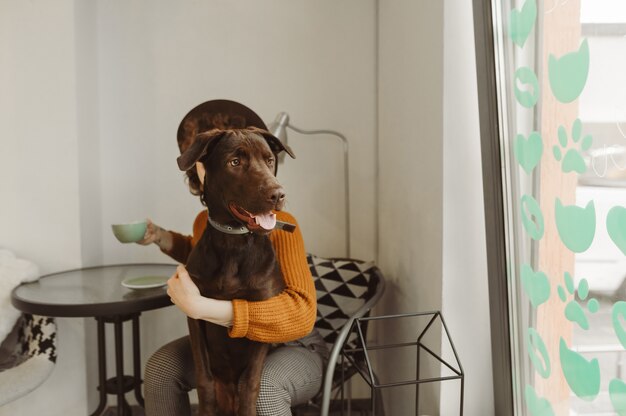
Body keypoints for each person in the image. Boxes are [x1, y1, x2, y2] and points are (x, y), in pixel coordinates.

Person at [139, 100, 329, 416]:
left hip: (293, 346)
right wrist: (159, 235)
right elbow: (203, 255)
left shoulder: (282, 227)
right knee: (161, 367)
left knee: (263, 392)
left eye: (267, 161)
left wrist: (206, 308)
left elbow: (301, 316)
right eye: (235, 161)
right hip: (227, 341)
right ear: (198, 169)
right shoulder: (206, 223)